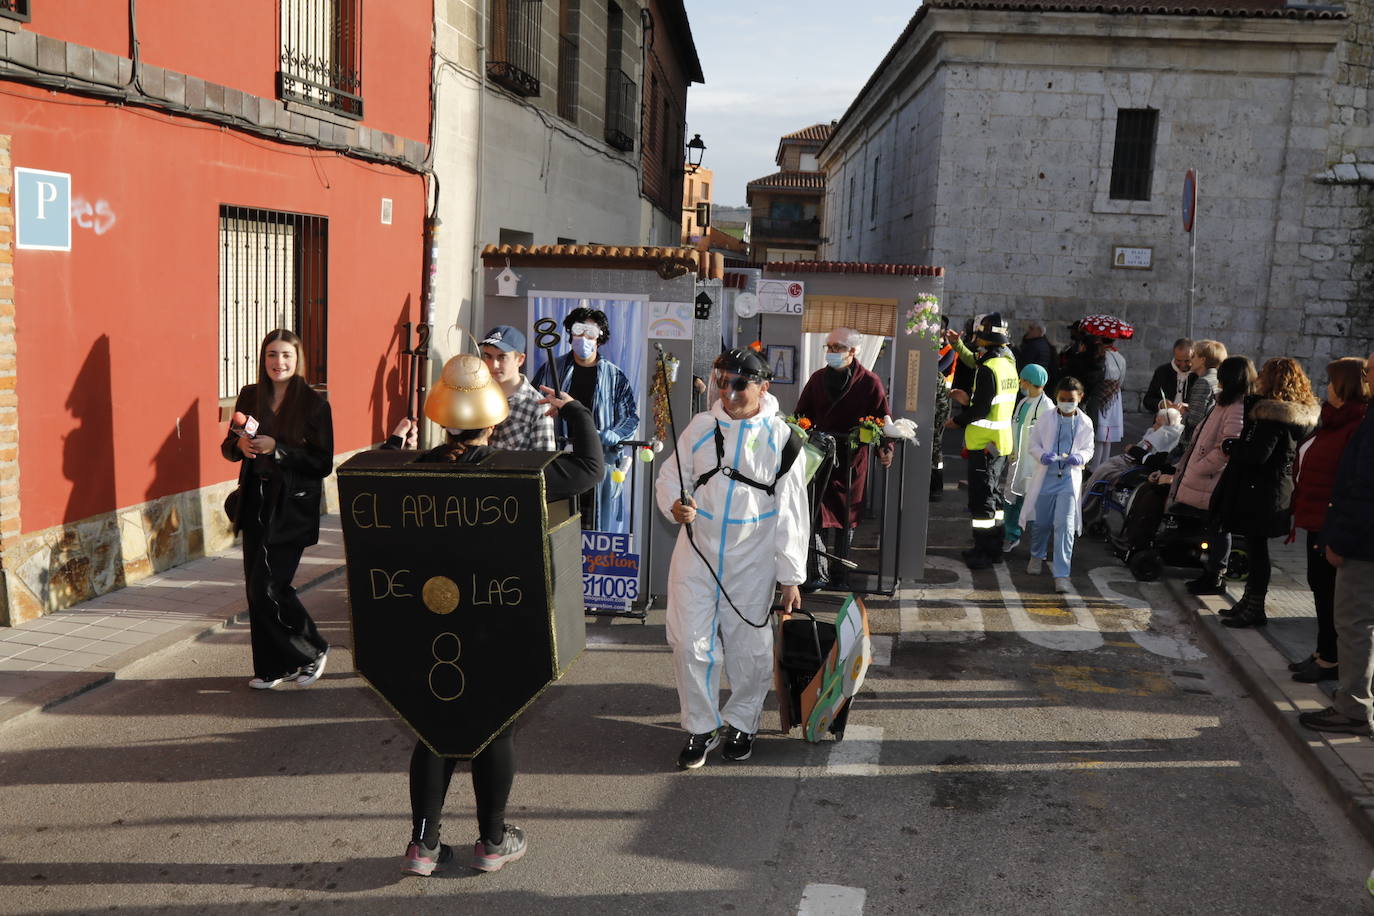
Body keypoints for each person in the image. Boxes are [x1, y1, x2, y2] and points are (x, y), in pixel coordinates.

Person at [399, 354, 604, 876]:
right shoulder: (522, 472)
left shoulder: (416, 469)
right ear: (494, 420)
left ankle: (422, 846)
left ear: (444, 419)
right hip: (499, 619)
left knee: (432, 725)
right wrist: (576, 410)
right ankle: (491, 841)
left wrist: (391, 448)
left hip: (429, 623)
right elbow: (589, 469)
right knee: (495, 727)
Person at [656, 347, 808, 769]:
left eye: (739, 383)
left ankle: (742, 722)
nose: (729, 392)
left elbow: (792, 511)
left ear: (763, 386)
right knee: (689, 643)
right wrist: (675, 504)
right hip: (697, 552)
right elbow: (673, 476)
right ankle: (701, 727)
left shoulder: (782, 439)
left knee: (748, 649)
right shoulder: (701, 427)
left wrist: (791, 576)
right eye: (722, 382)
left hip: (752, 559)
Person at [221, 329, 333, 691]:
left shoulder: (315, 404)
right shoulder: (250, 396)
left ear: (297, 358)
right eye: (271, 354)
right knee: (257, 590)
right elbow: (228, 448)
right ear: (262, 358)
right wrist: (241, 445)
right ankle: (272, 667)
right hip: (254, 502)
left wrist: (278, 449)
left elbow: (322, 462)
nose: (278, 362)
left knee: (269, 586)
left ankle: (312, 648)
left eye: (286, 355)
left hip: (291, 506)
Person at [1210, 357, 1319, 628]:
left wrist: (1231, 446)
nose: (1258, 378)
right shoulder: (1296, 413)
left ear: (1272, 380)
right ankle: (1249, 601)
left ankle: (1255, 607)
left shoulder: (1271, 415)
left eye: (1264, 375)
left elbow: (1258, 454)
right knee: (1257, 548)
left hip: (1260, 491)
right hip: (1272, 489)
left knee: (1257, 550)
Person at [1297, 353, 1374, 737]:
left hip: (1361, 543)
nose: (1367, 375)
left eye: (1371, 370)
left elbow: (1361, 489)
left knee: (1354, 624)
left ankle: (1354, 708)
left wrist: (1338, 538)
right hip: (1355, 534)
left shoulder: (1365, 421)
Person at [794, 327, 893, 572]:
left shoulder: (870, 381)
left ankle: (841, 573)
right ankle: (818, 571)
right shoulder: (818, 378)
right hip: (819, 457)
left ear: (853, 351)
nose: (832, 352)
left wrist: (885, 447)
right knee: (816, 514)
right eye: (829, 347)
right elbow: (801, 414)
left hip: (852, 459)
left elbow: (882, 417)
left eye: (837, 347)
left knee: (847, 517)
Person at [532, 306, 639, 531]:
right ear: (570, 335)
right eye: (578, 331)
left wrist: (616, 433)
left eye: (590, 332)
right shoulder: (552, 370)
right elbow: (532, 403)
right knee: (556, 525)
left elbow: (630, 417)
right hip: (558, 461)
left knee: (594, 527)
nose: (583, 338)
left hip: (597, 460)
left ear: (600, 338)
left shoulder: (615, 376)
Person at [1166, 355, 1253, 594]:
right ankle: (1210, 573)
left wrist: (1200, 466)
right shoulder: (1224, 402)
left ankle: (1215, 577)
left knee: (1218, 529)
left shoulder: (1236, 406)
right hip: (1205, 475)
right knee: (1212, 528)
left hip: (1213, 479)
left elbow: (1228, 446)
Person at [943, 313, 1018, 569]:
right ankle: (995, 548)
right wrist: (958, 346)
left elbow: (981, 409)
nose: (975, 343)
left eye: (978, 338)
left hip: (985, 445)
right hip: (1000, 443)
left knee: (982, 501)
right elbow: (989, 396)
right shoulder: (1007, 362)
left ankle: (982, 552)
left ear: (985, 340)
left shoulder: (988, 369)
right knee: (994, 499)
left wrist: (958, 420)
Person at [1021, 377, 1096, 594]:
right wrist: (1042, 455)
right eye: (1062, 399)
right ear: (1056, 398)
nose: (1066, 403)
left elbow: (1089, 449)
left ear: (1080, 398)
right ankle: (1037, 555)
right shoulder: (1046, 418)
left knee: (1065, 526)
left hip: (1068, 480)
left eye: (1070, 399)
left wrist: (1079, 457)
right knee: (1042, 522)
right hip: (1046, 477)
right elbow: (1033, 443)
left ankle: (1062, 574)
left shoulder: (1085, 422)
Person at [1081, 407, 1183, 523]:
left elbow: (1154, 460)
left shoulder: (1168, 437)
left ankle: (1085, 509)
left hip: (1136, 468)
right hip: (1127, 461)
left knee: (1103, 474)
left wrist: (1133, 450)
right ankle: (1082, 503)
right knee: (1100, 473)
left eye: (1158, 424)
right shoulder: (1155, 432)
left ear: (1166, 427)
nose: (1154, 426)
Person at [1003, 364, 1054, 553]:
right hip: (1017, 461)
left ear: (1030, 381)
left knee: (1034, 505)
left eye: (1023, 379)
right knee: (1011, 499)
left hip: (1035, 465)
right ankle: (1011, 536)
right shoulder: (1024, 402)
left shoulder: (1047, 407)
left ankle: (1037, 547)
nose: (1020, 383)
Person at [480, 325, 556, 451]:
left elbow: (545, 462)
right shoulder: (477, 395)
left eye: (502, 357)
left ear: (520, 360)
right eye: (488, 356)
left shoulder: (537, 405)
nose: (494, 364)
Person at [1178, 340, 1227, 449]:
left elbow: (1194, 421)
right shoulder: (1217, 379)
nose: (1190, 359)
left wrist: (1183, 414)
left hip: (1193, 444)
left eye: (1194, 356)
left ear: (1202, 360)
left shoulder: (1203, 382)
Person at [931, 316, 958, 501]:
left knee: (935, 445)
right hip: (928, 400)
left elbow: (937, 368)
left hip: (941, 402)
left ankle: (936, 486)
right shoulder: (930, 348)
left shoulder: (949, 350)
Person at [1093, 338, 1127, 468]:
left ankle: (1095, 467)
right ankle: (1103, 464)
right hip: (1114, 396)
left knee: (1101, 434)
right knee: (1107, 437)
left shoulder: (1102, 357)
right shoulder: (1120, 358)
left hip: (1102, 394)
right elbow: (1121, 379)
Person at [1142, 338, 1195, 413]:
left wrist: (1189, 407)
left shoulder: (1198, 374)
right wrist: (1162, 404)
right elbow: (1148, 400)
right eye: (1178, 360)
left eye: (1187, 361)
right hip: (1164, 420)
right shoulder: (1162, 371)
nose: (1183, 365)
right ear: (1174, 355)